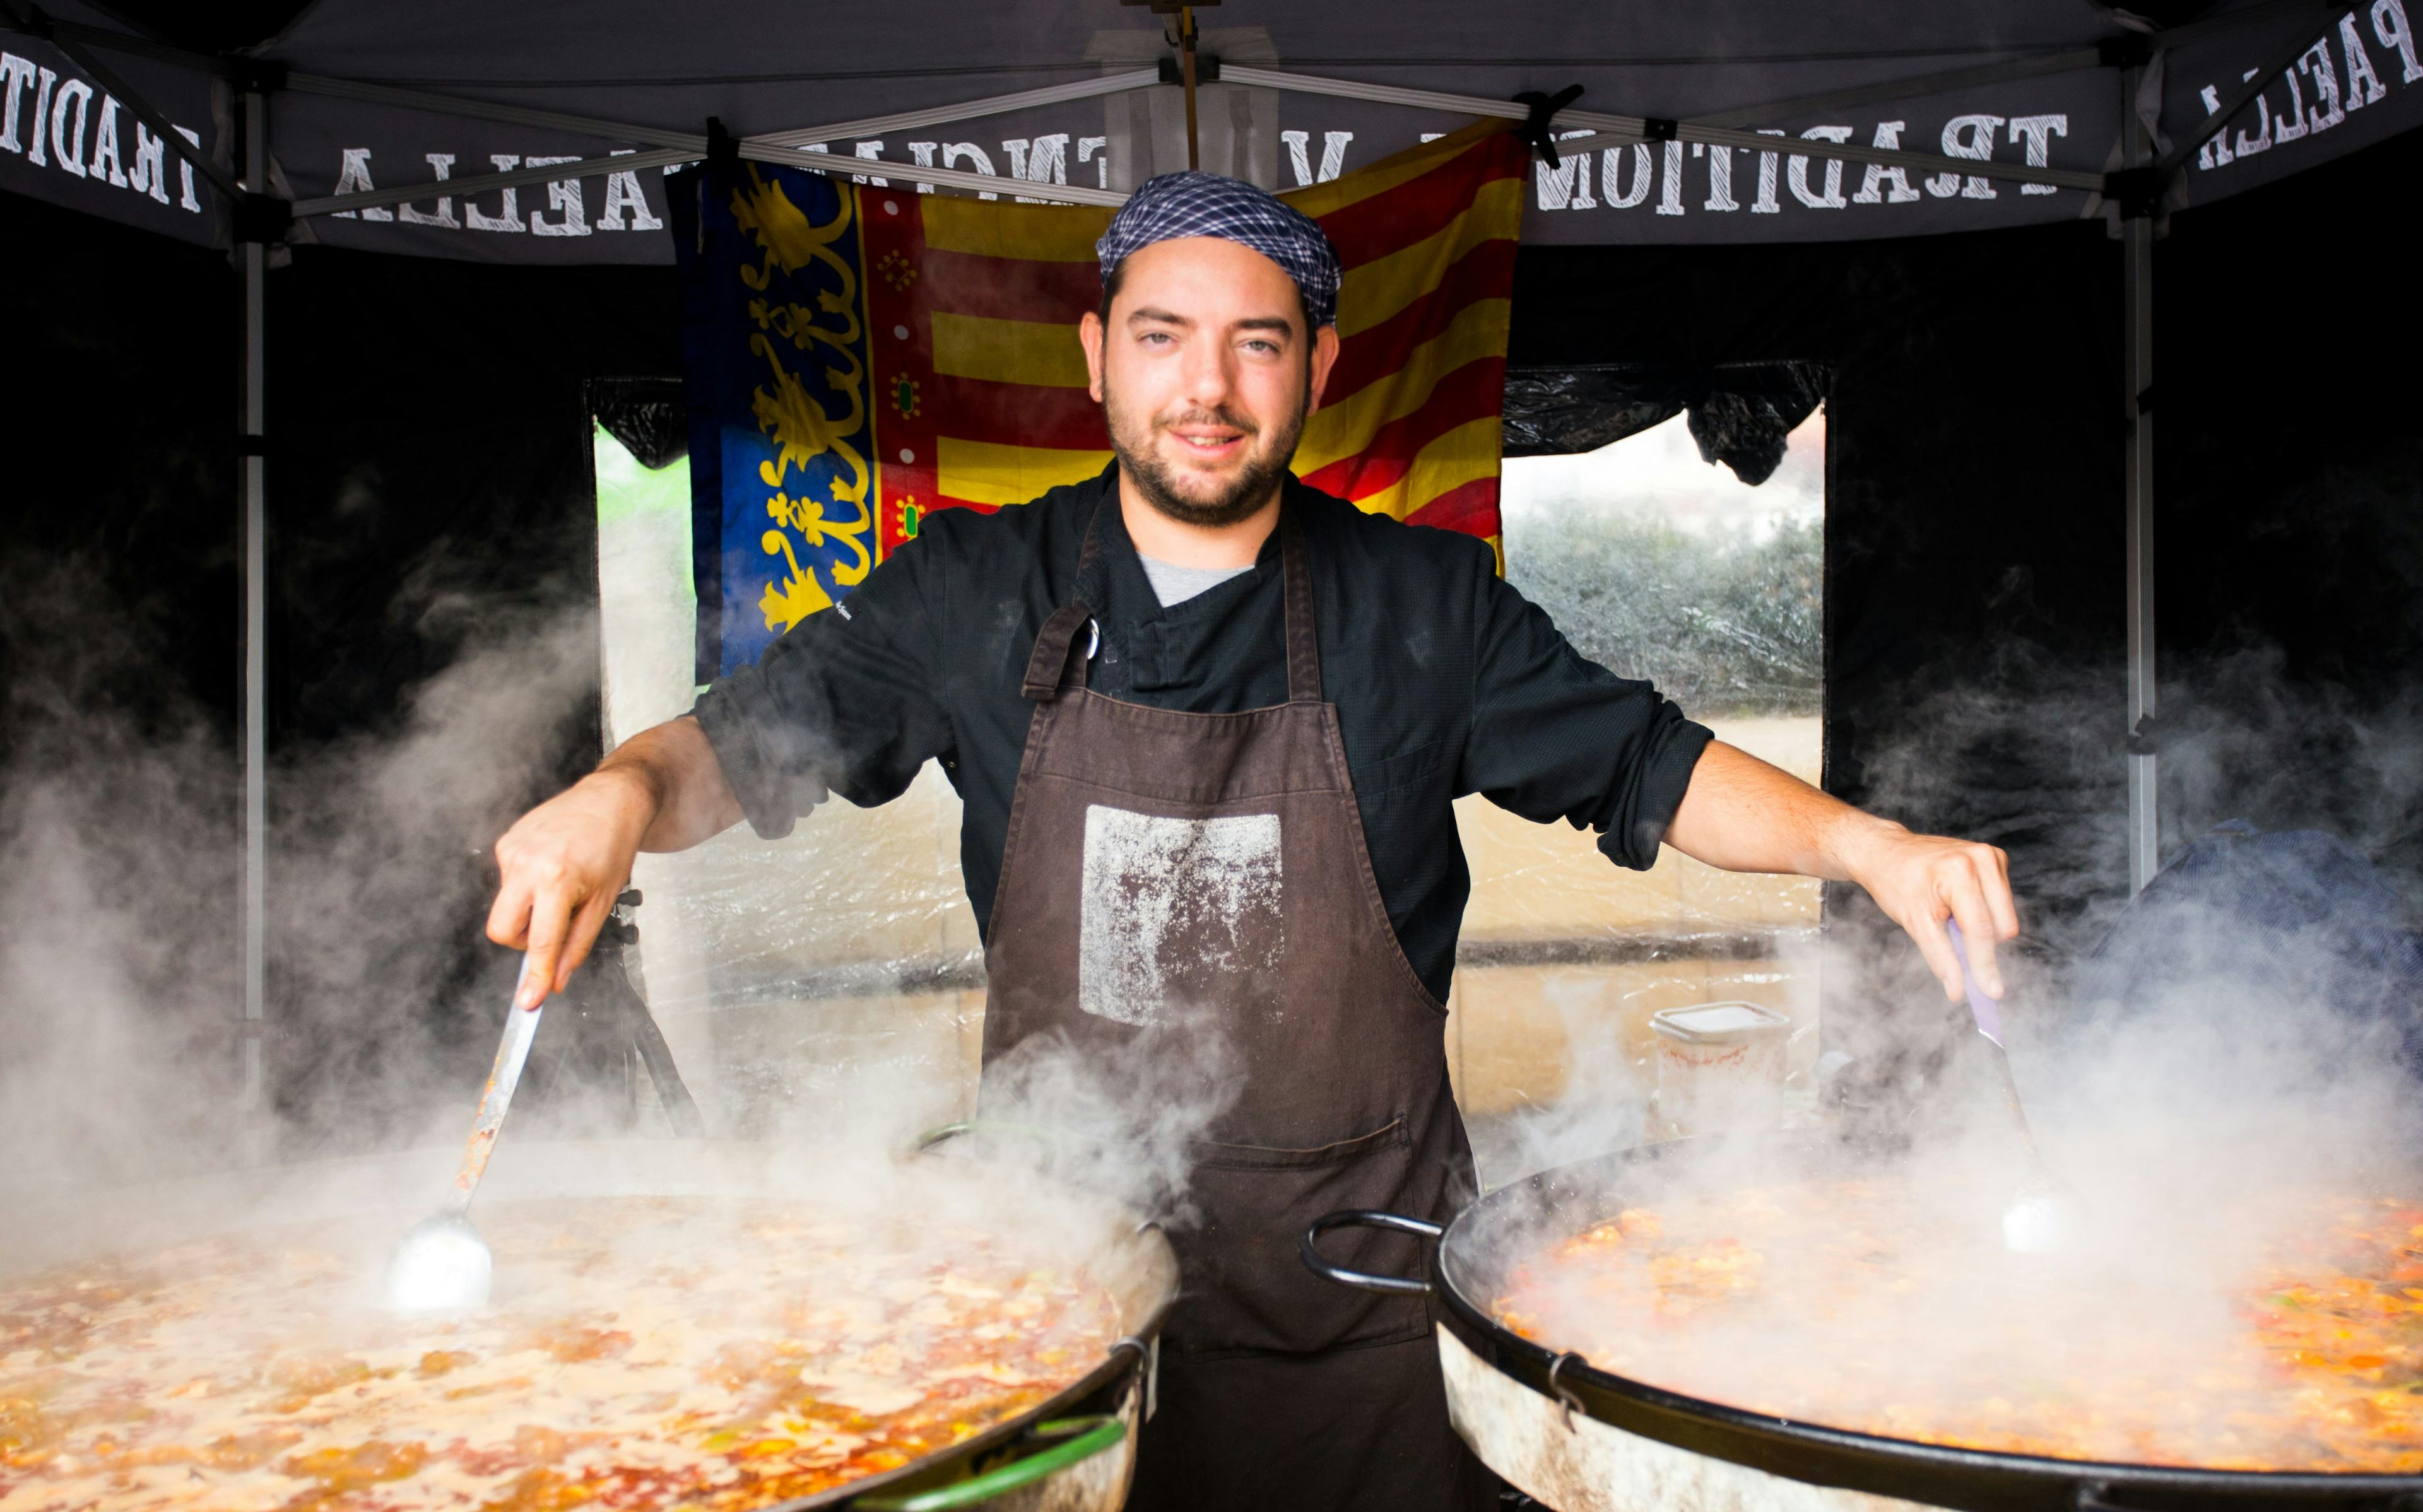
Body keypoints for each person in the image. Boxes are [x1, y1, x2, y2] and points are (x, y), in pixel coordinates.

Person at [488, 170, 2019, 1512]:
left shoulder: (1426, 605)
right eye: (1162, 335)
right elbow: (737, 748)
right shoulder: (971, 587)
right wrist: (620, 796)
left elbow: (1652, 765)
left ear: (1319, 368)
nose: (1204, 384)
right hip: (1064, 1282)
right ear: (1096, 356)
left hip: (1359, 1300)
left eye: (1256, 340)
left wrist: (1872, 846)